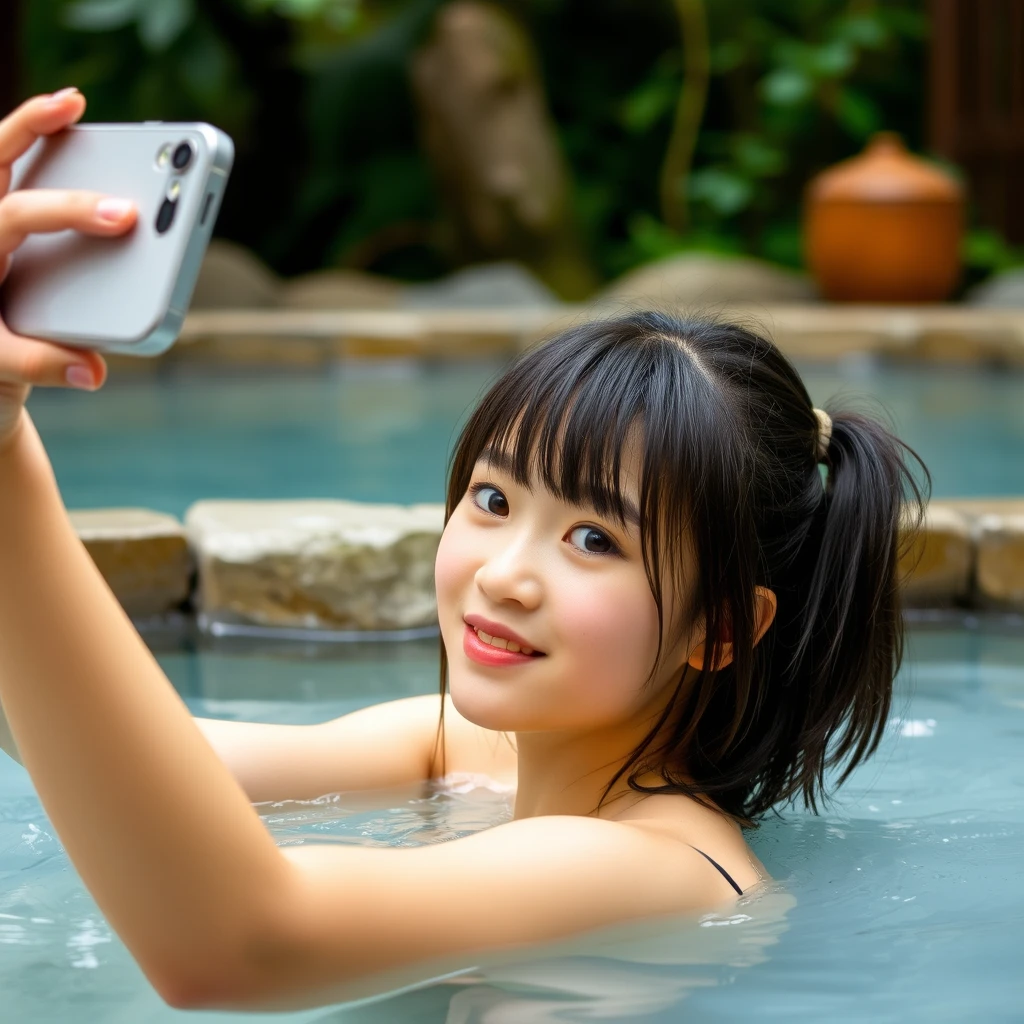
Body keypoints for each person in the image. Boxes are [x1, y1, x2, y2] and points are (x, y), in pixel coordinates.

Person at [0, 90, 928, 1013]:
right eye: (493, 498)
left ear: (720, 628)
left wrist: (8, 453)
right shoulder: (473, 750)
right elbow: (77, 745)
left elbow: (242, 943)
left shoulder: (661, 864)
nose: (502, 572)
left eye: (594, 538)